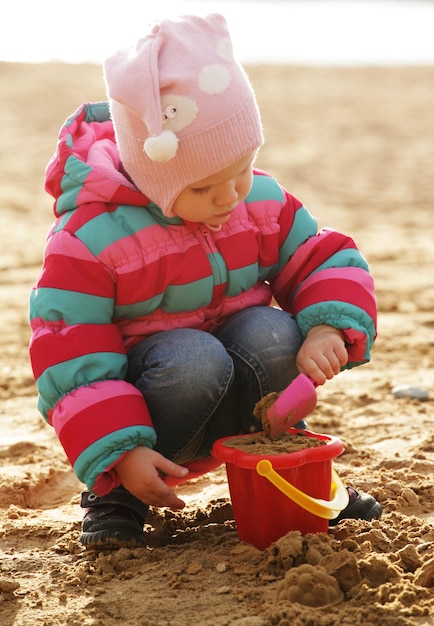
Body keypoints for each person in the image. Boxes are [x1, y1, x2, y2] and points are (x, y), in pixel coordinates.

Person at [29, 13, 381, 550]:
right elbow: (70, 351)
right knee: (194, 355)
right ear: (154, 175)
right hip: (155, 407)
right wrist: (118, 451)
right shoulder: (92, 238)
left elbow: (321, 257)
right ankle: (119, 494)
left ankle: (283, 458)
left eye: (241, 169)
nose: (228, 197)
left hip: (244, 394)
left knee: (271, 330)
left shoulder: (256, 201)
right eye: (203, 187)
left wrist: (329, 325)